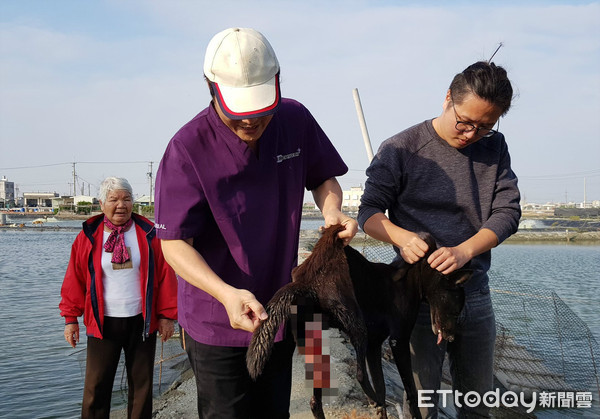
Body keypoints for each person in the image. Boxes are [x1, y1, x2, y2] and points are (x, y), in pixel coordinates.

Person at [154, 27, 357, 418]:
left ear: (277, 83)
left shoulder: (294, 119)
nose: (252, 123)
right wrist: (227, 293)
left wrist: (332, 210)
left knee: (273, 411)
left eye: (261, 113)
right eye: (239, 115)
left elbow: (323, 179)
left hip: (278, 307)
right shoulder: (187, 148)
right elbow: (174, 245)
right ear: (211, 88)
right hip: (218, 315)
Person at [358, 61, 521, 417]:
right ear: (448, 98)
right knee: (420, 406)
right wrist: (402, 238)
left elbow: (508, 212)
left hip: (473, 293)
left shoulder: (494, 148)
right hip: (413, 299)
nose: (471, 134)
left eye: (485, 126)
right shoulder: (401, 148)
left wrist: (465, 251)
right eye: (464, 122)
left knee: (477, 404)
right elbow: (368, 213)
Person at [59, 177, 178, 419]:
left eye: (126, 199)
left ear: (133, 202)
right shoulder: (88, 236)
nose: (121, 205)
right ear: (102, 204)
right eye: (113, 199)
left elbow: (167, 275)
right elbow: (75, 278)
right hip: (103, 322)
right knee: (96, 388)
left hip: (141, 320)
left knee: (142, 386)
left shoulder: (149, 233)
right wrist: (70, 318)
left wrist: (167, 316)